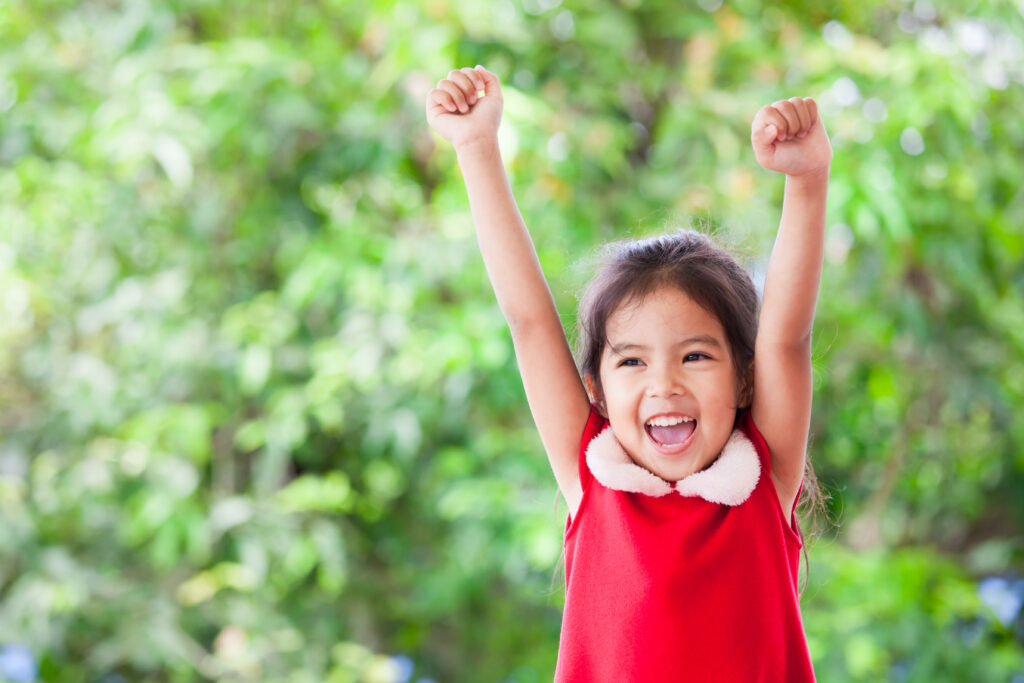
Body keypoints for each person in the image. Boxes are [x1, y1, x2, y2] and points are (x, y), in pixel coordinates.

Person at [425, 64, 831, 681]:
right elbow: (530, 320)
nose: (663, 384)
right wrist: (476, 147)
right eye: (632, 361)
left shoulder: (763, 484)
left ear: (744, 380)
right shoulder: (593, 478)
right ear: (597, 390)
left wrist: (807, 179)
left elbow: (786, 340)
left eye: (695, 356)